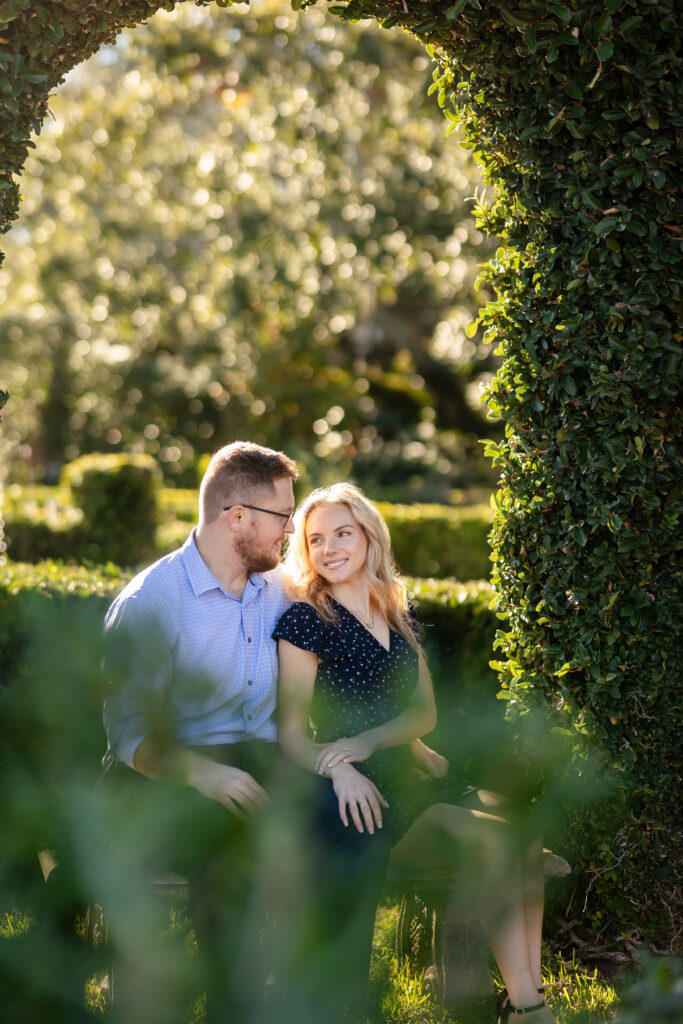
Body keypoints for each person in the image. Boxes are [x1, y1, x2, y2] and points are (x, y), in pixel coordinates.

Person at [101, 443, 391, 1024]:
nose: (290, 534)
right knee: (231, 849)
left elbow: (355, 659)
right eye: (283, 519)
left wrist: (343, 760)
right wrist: (204, 774)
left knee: (359, 821)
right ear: (238, 518)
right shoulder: (152, 602)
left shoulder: (278, 589)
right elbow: (129, 733)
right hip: (164, 772)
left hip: (261, 756)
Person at [273, 482, 556, 1024]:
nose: (329, 547)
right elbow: (290, 734)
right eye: (315, 539)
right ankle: (530, 1008)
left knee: (527, 830)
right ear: (304, 552)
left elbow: (423, 713)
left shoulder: (397, 610)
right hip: (364, 799)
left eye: (342, 533)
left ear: (368, 537)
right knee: (493, 838)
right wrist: (342, 768)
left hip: (407, 772)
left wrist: (378, 739)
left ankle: (528, 999)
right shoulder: (306, 619)